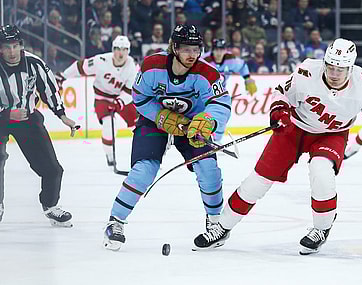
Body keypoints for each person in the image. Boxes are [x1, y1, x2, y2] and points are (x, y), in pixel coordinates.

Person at [192, 38, 362, 255]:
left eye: (341, 69)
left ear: (351, 67)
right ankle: (222, 227)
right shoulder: (307, 71)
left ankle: (321, 228)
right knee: (258, 181)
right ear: (325, 62)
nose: (334, 74)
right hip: (294, 129)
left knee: (321, 171)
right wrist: (279, 110)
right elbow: (281, 93)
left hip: (331, 134)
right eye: (331, 66)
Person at [103, 24, 231, 251]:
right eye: (186, 49)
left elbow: (221, 102)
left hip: (192, 124)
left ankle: (215, 224)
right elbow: (140, 98)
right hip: (154, 121)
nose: (192, 55)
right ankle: (115, 222)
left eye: (196, 49)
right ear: (174, 47)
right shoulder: (152, 66)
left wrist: (208, 120)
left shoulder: (208, 73)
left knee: (208, 166)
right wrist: (160, 116)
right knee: (144, 170)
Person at [0, 24, 77, 226]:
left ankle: (50, 206)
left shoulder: (34, 63)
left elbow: (49, 90)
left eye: (15, 46)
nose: (12, 51)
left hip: (27, 118)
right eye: (7, 47)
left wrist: (62, 115)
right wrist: (8, 114)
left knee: (53, 168)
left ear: (21, 45)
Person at [56, 36, 138, 167]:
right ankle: (110, 157)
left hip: (121, 98)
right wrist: (63, 76)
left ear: (128, 51)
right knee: (108, 124)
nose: (120, 53)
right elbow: (80, 66)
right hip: (102, 98)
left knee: (139, 124)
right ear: (113, 49)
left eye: (124, 49)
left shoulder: (132, 66)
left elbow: (130, 92)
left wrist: (119, 103)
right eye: (117, 49)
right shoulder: (101, 60)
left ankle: (148, 155)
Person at [202, 38, 257, 143]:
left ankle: (216, 140)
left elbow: (242, 66)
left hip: (220, 94)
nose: (219, 53)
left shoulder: (231, 59)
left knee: (222, 114)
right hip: (203, 92)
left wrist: (247, 79)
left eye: (221, 49)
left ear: (225, 50)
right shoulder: (205, 60)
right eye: (216, 49)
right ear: (212, 50)